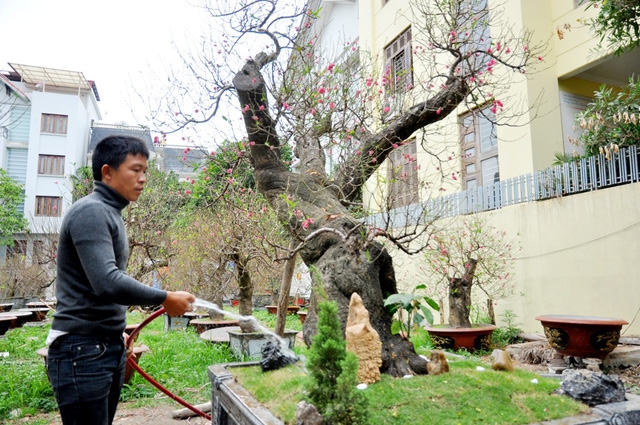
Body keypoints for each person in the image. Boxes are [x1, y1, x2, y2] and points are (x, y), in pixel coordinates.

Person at [46, 135, 195, 425]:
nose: (143, 179)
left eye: (145, 171)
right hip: (82, 350)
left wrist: (116, 331)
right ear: (107, 171)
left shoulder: (109, 212)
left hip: (101, 346)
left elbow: (98, 289)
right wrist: (165, 297)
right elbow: (107, 281)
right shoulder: (91, 211)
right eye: (135, 169)